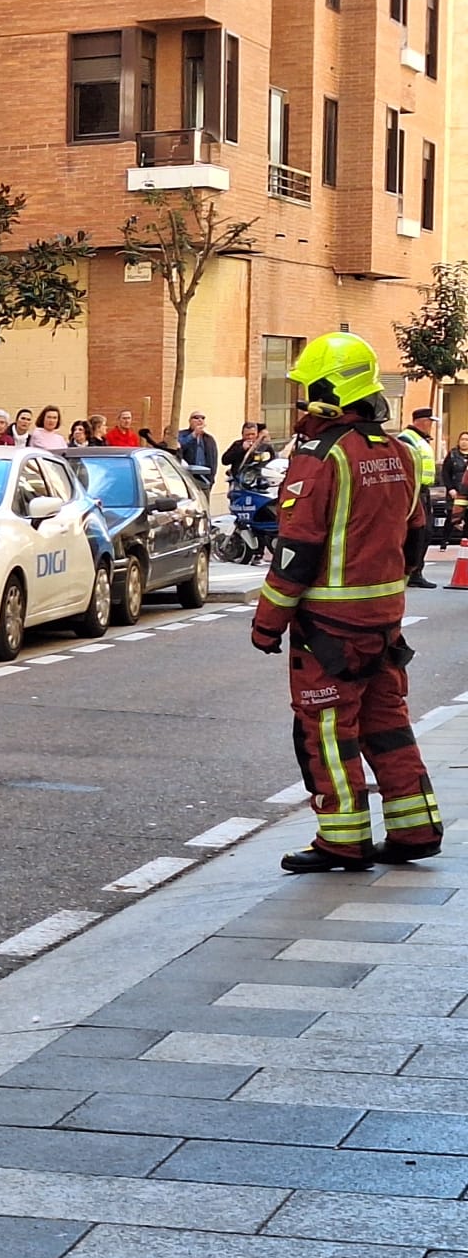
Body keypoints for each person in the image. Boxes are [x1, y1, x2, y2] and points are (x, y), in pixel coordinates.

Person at [250, 332, 443, 872]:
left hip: (329, 629)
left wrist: (267, 624)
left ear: (327, 391)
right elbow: (415, 539)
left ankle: (342, 838)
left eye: (306, 385)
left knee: (329, 733)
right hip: (385, 624)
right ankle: (415, 829)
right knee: (388, 723)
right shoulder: (401, 453)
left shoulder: (321, 458)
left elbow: (297, 553)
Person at [400, 405, 439, 587]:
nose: (431, 426)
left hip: (423, 491)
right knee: (419, 531)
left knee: (426, 532)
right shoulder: (407, 439)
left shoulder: (420, 439)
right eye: (430, 422)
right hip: (414, 491)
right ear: (422, 422)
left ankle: (416, 571)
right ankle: (412, 572)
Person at [438, 431, 468, 549]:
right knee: (452, 515)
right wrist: (450, 488)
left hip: (466, 492)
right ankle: (444, 541)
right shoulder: (452, 455)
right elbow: (445, 473)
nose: (464, 442)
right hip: (455, 491)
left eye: (467, 440)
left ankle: (465, 541)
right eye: (462, 439)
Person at [176, 410, 219, 482]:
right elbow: (179, 447)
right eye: (196, 417)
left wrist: (211, 478)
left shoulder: (209, 439)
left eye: (203, 418)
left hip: (204, 478)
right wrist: (193, 435)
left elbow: (213, 460)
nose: (200, 420)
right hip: (187, 476)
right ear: (190, 421)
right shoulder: (182, 435)